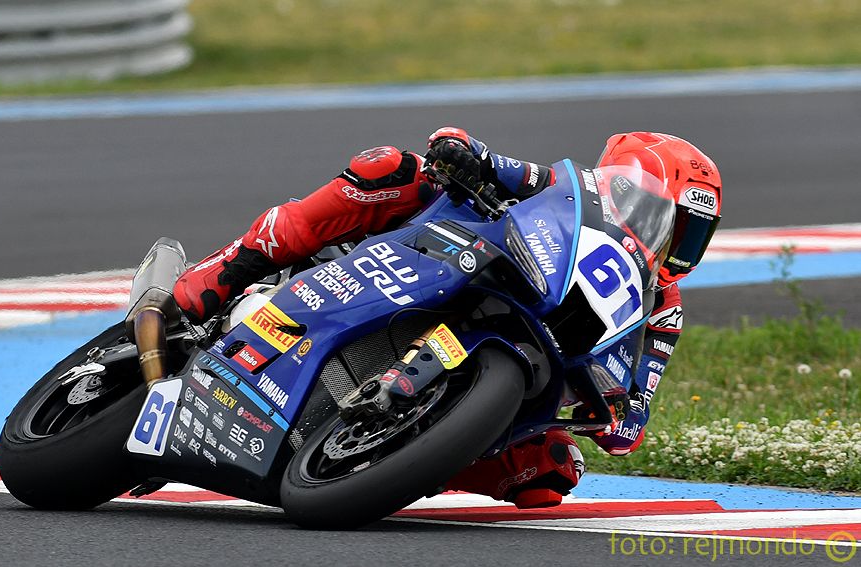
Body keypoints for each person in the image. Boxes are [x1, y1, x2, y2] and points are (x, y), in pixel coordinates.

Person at [173, 127, 723, 509]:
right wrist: (465, 153)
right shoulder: (569, 193)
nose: (675, 243)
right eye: (672, 223)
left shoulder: (663, 306)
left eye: (691, 235)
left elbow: (631, 416)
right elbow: (494, 163)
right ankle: (230, 269)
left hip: (529, 364)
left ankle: (395, 457)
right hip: (457, 266)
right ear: (622, 185)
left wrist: (618, 410)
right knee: (392, 170)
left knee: (552, 470)